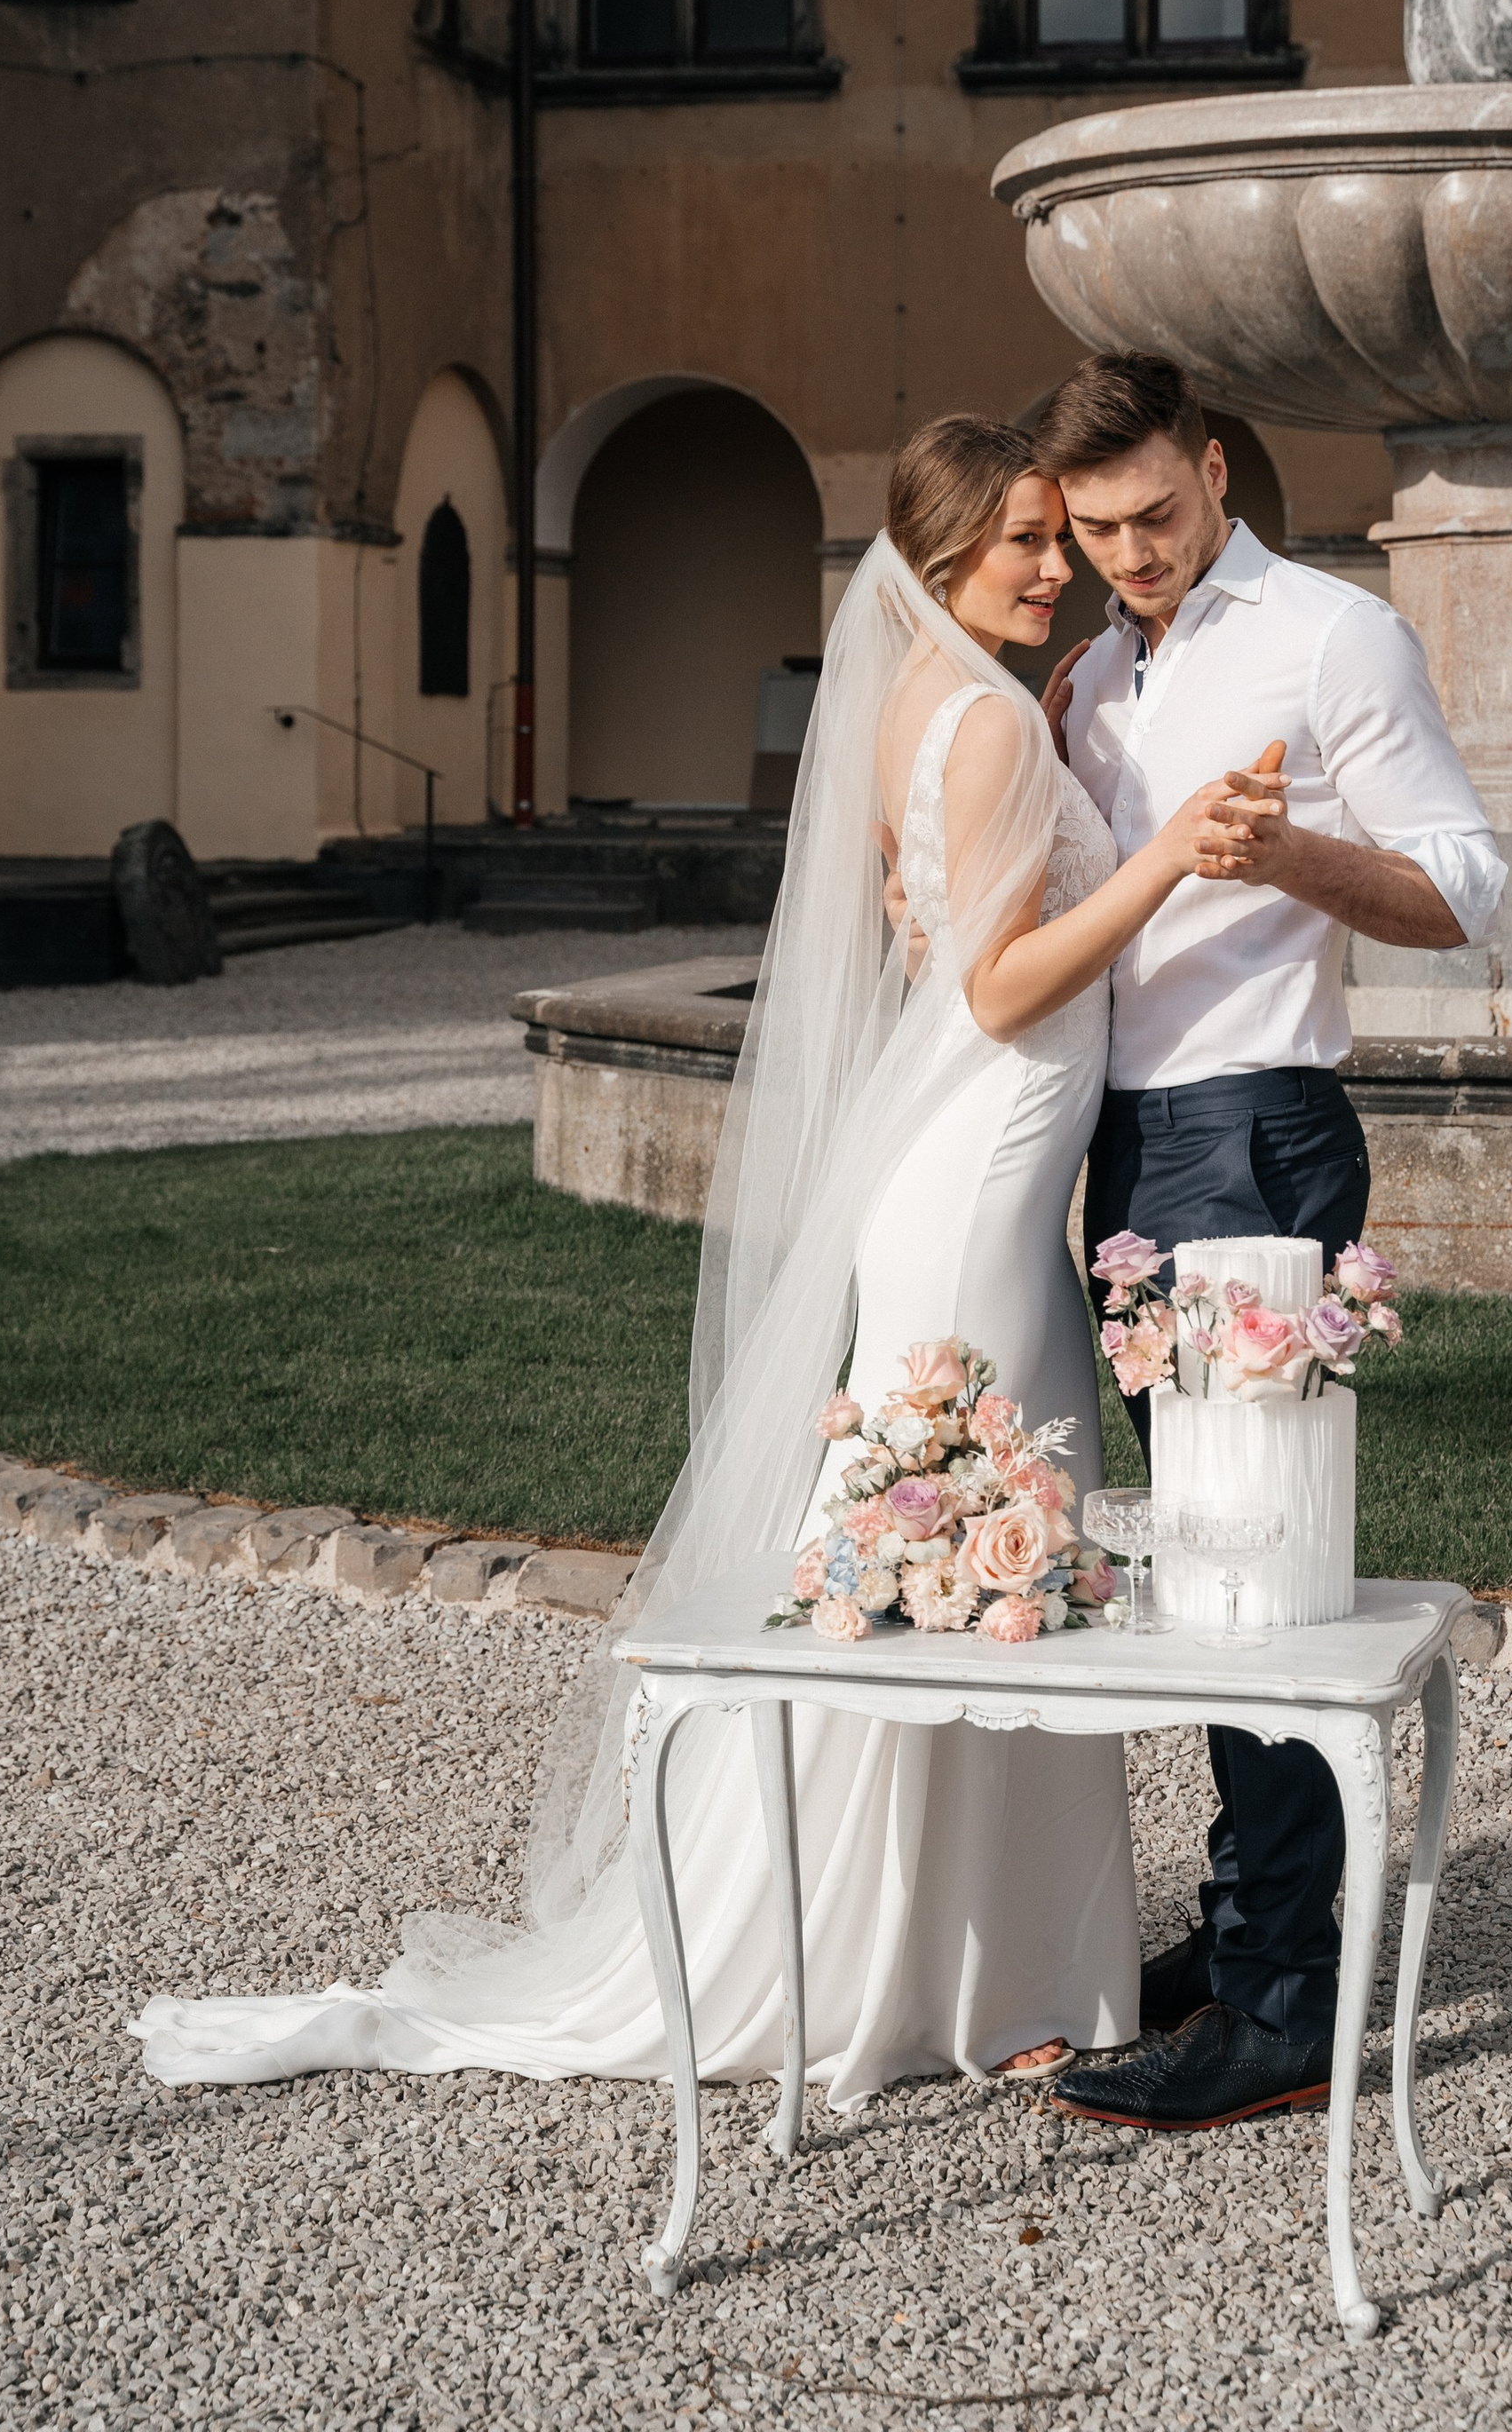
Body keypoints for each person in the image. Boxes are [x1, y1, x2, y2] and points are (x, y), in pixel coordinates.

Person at [131, 415, 1250, 2110]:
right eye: (1021, 540)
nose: (1053, 568)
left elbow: (924, 931)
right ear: (942, 551)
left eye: (1055, 537)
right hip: (980, 1174)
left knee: (965, 1550)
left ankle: (986, 1955)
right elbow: (1001, 985)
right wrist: (1167, 859)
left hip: (981, 1171)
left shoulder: (928, 702)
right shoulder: (984, 724)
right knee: (962, 1551)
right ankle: (919, 1965)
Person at [1035, 351, 1506, 2137]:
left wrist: (1291, 856)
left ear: (1216, 471)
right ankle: (1253, 1924)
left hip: (1255, 1132)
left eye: (1155, 514)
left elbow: (1464, 890)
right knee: (1201, 1566)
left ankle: (1284, 2005)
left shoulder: (1333, 635)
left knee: (1254, 1571)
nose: (1131, 553)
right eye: (1097, 531)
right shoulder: (1099, 671)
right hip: (1127, 1141)